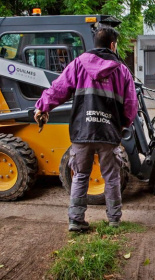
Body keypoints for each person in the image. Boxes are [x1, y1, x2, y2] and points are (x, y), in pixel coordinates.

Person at [34, 26, 138, 231]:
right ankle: (114, 220)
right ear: (112, 45)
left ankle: (76, 220)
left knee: (80, 175)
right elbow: (131, 105)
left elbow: (57, 89)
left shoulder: (78, 65)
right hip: (109, 133)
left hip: (82, 132)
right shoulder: (122, 70)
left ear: (95, 44)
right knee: (111, 177)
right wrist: (122, 124)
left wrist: (42, 107)